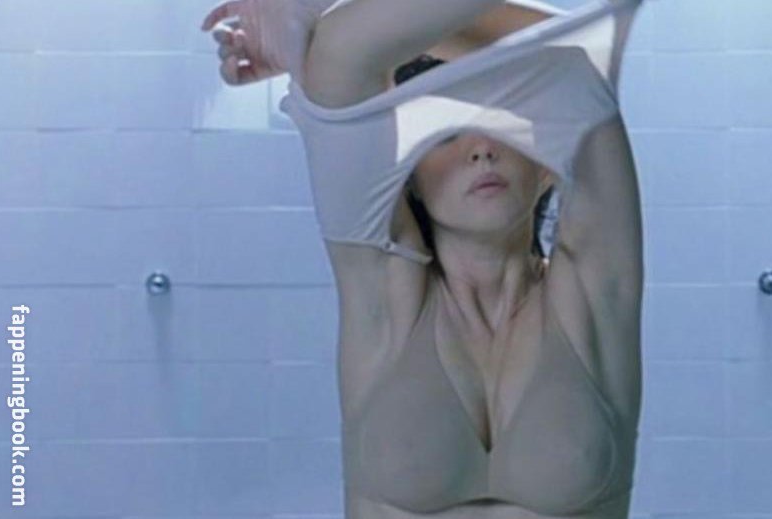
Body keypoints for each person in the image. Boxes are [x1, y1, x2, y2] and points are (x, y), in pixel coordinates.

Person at [202, 1, 645, 517]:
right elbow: (344, 58)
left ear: (545, 166)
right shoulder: (383, 291)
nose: (481, 150)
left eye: (503, 129)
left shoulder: (595, 292)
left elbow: (573, 66)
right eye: (447, 136)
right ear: (409, 178)